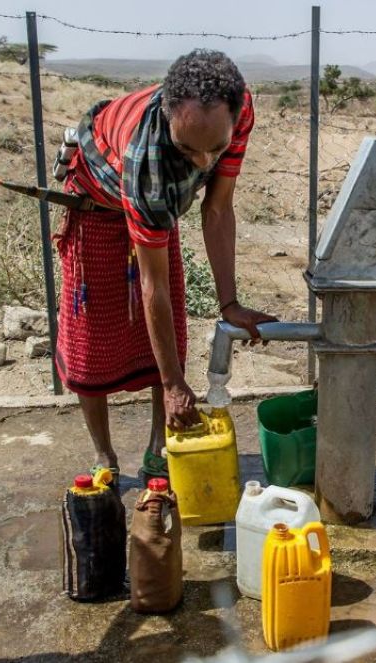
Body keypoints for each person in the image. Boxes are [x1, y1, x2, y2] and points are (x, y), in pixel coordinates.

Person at [55, 49, 277, 484]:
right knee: (91, 338)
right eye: (188, 148)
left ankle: (159, 447)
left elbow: (218, 209)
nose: (203, 162)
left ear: (234, 116)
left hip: (151, 201)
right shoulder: (148, 164)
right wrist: (175, 385)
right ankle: (104, 453)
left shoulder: (240, 107)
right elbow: (151, 284)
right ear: (169, 117)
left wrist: (230, 304)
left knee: (167, 327)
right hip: (97, 201)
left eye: (216, 148)